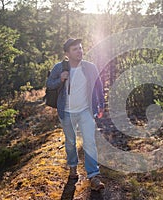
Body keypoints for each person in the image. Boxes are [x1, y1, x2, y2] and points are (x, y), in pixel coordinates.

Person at [46, 38, 105, 191]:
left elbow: (98, 86)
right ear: (67, 53)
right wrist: (60, 79)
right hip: (66, 112)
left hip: (86, 110)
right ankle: (73, 167)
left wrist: (101, 105)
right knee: (71, 142)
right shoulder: (59, 68)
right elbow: (49, 84)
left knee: (90, 142)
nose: (79, 51)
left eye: (80, 48)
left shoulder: (90, 67)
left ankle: (93, 176)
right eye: (75, 49)